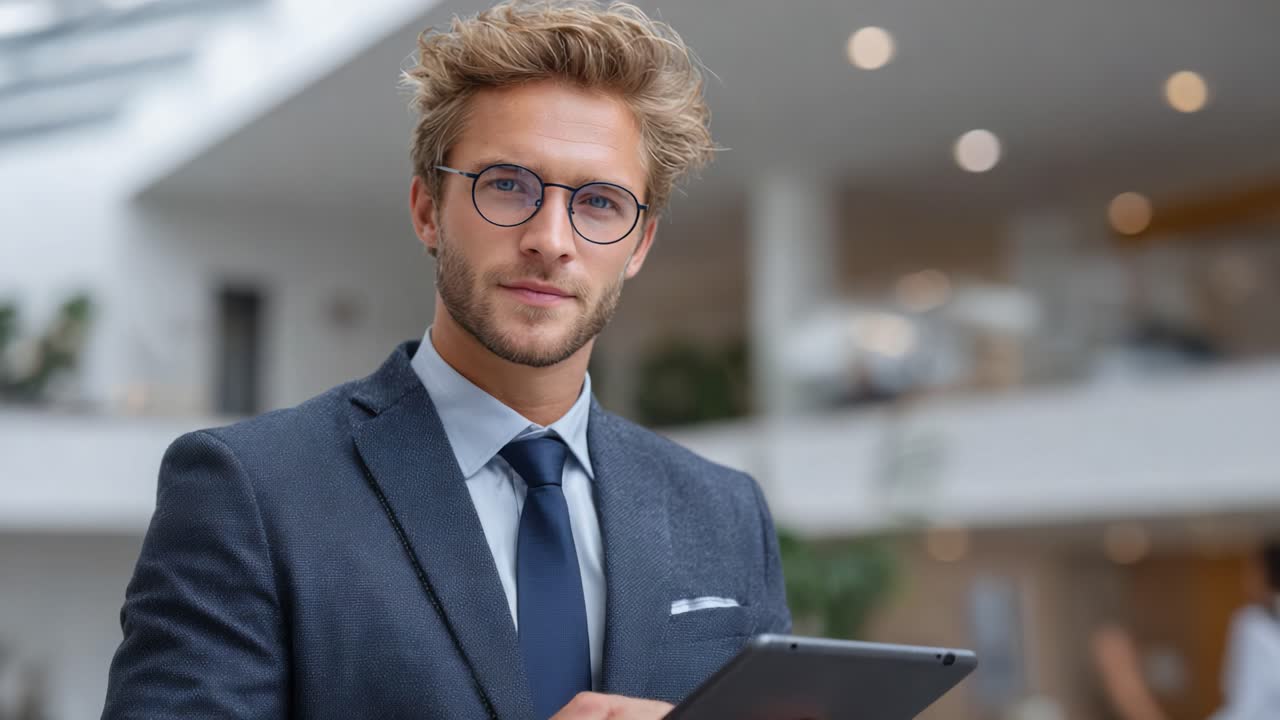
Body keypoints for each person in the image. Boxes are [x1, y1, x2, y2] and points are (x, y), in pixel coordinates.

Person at [100, 2, 791, 718]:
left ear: (639, 244)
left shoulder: (724, 512)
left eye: (600, 202)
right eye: (507, 186)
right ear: (428, 210)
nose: (551, 238)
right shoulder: (248, 491)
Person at [1091, 538, 1280, 720]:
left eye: (1250, 569)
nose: (1245, 578)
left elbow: (1247, 706)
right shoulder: (1257, 623)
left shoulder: (1254, 625)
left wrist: (1125, 680)